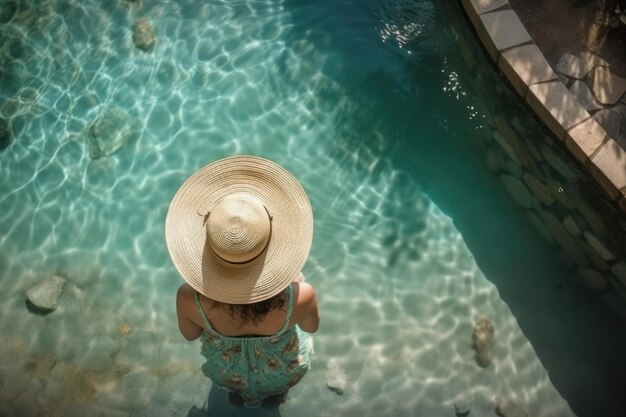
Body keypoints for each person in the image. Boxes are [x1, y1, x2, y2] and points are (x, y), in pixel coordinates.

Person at [165, 155, 320, 408]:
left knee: (234, 391)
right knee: (275, 393)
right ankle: (272, 400)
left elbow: (190, 335)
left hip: (228, 372)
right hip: (283, 368)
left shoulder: (188, 297)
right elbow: (311, 327)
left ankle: (240, 397)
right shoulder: (302, 295)